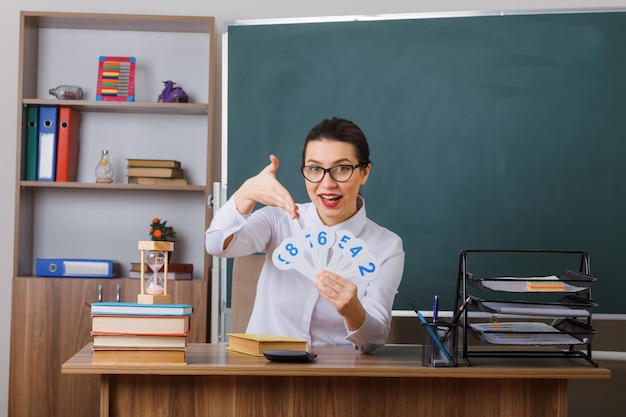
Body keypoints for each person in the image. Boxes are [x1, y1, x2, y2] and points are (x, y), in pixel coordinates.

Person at [205, 117, 404, 353]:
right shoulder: (279, 220)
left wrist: (353, 312)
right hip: (264, 373)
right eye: (315, 169)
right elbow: (216, 245)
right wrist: (246, 193)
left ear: (364, 172)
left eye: (342, 168)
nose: (327, 183)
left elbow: (374, 339)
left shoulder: (387, 246)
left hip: (335, 379)